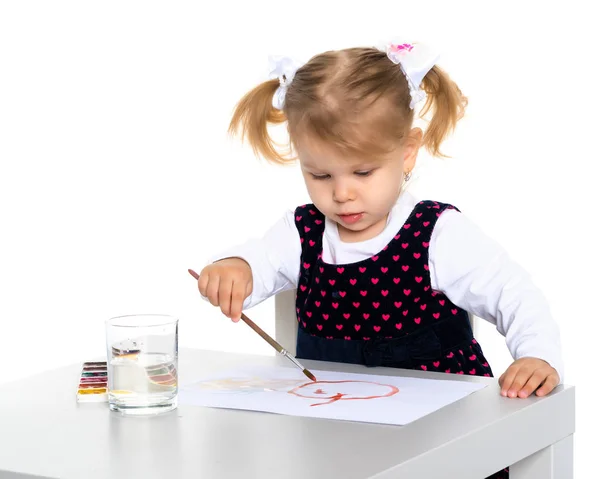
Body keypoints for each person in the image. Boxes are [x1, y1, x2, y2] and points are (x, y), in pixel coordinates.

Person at [194, 41, 563, 479]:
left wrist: (537, 356)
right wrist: (234, 269)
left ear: (406, 152)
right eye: (320, 174)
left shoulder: (436, 234)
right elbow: (258, 261)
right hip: (335, 440)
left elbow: (513, 294)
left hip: (446, 438)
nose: (342, 192)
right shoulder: (303, 231)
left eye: (363, 172)